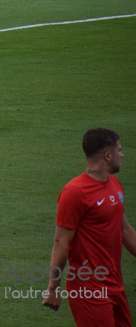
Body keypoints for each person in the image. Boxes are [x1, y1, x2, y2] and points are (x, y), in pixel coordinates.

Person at [43, 128, 136, 325]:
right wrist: (53, 288)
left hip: (115, 283)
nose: (122, 155)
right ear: (107, 155)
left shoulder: (114, 184)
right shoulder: (75, 192)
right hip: (88, 288)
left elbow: (125, 230)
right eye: (119, 150)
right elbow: (60, 243)